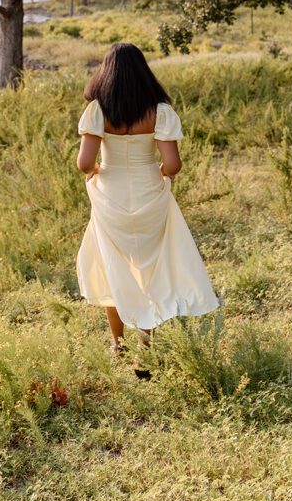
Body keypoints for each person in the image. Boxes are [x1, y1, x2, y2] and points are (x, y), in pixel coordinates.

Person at [75, 42, 218, 377]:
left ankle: (117, 344)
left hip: (110, 194)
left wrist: (97, 170)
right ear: (143, 72)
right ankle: (144, 349)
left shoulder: (97, 109)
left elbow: (84, 163)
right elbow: (172, 164)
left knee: (112, 265)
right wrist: (159, 174)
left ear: (106, 72)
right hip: (147, 193)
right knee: (147, 270)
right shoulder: (159, 111)